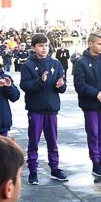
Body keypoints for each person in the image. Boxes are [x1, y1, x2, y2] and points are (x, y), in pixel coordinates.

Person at [19, 34, 68, 184]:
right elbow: (25, 86)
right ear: (33, 48)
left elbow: (61, 86)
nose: (44, 48)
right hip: (36, 109)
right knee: (34, 141)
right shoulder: (27, 65)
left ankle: (55, 167)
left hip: (52, 108)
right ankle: (33, 171)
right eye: (40, 45)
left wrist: (61, 86)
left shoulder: (56, 63)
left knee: (53, 141)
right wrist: (40, 81)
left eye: (46, 45)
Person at [73, 32, 101, 178]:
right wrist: (95, 94)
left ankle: (100, 159)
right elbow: (80, 84)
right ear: (90, 44)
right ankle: (95, 162)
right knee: (93, 133)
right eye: (99, 43)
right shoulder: (81, 63)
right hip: (90, 104)